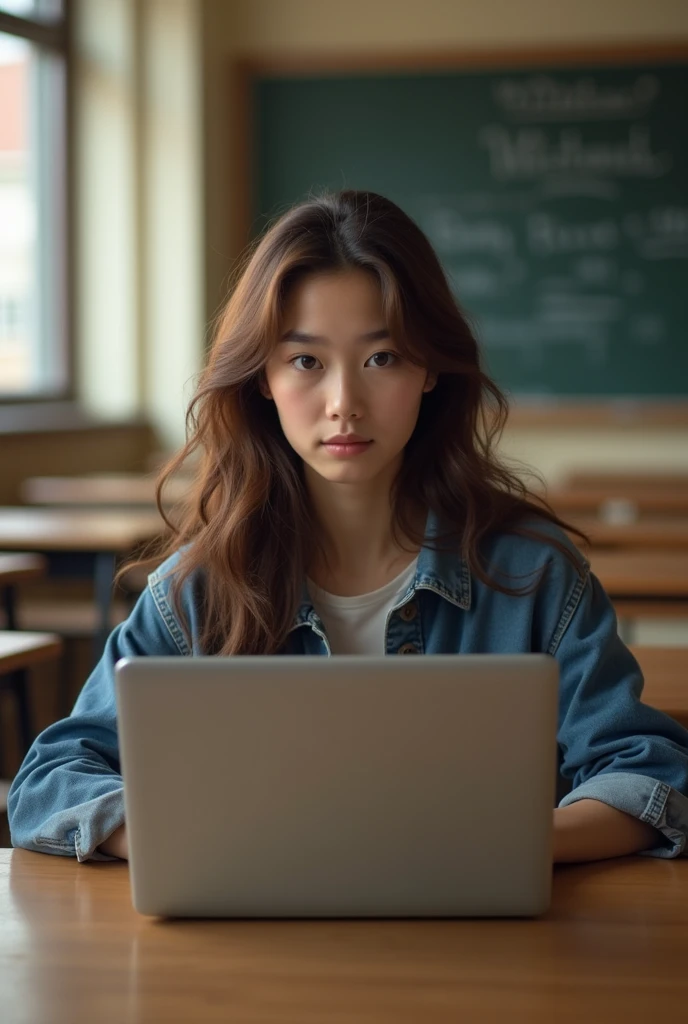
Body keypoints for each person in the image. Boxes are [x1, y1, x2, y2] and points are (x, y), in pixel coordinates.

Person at [8, 190, 688, 864]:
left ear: (429, 369)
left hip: (482, 947)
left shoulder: (533, 573)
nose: (344, 405)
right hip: (258, 952)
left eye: (382, 358)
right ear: (263, 380)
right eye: (306, 361)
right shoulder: (197, 591)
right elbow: (50, 781)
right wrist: (196, 842)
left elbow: (650, 772)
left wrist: (500, 846)